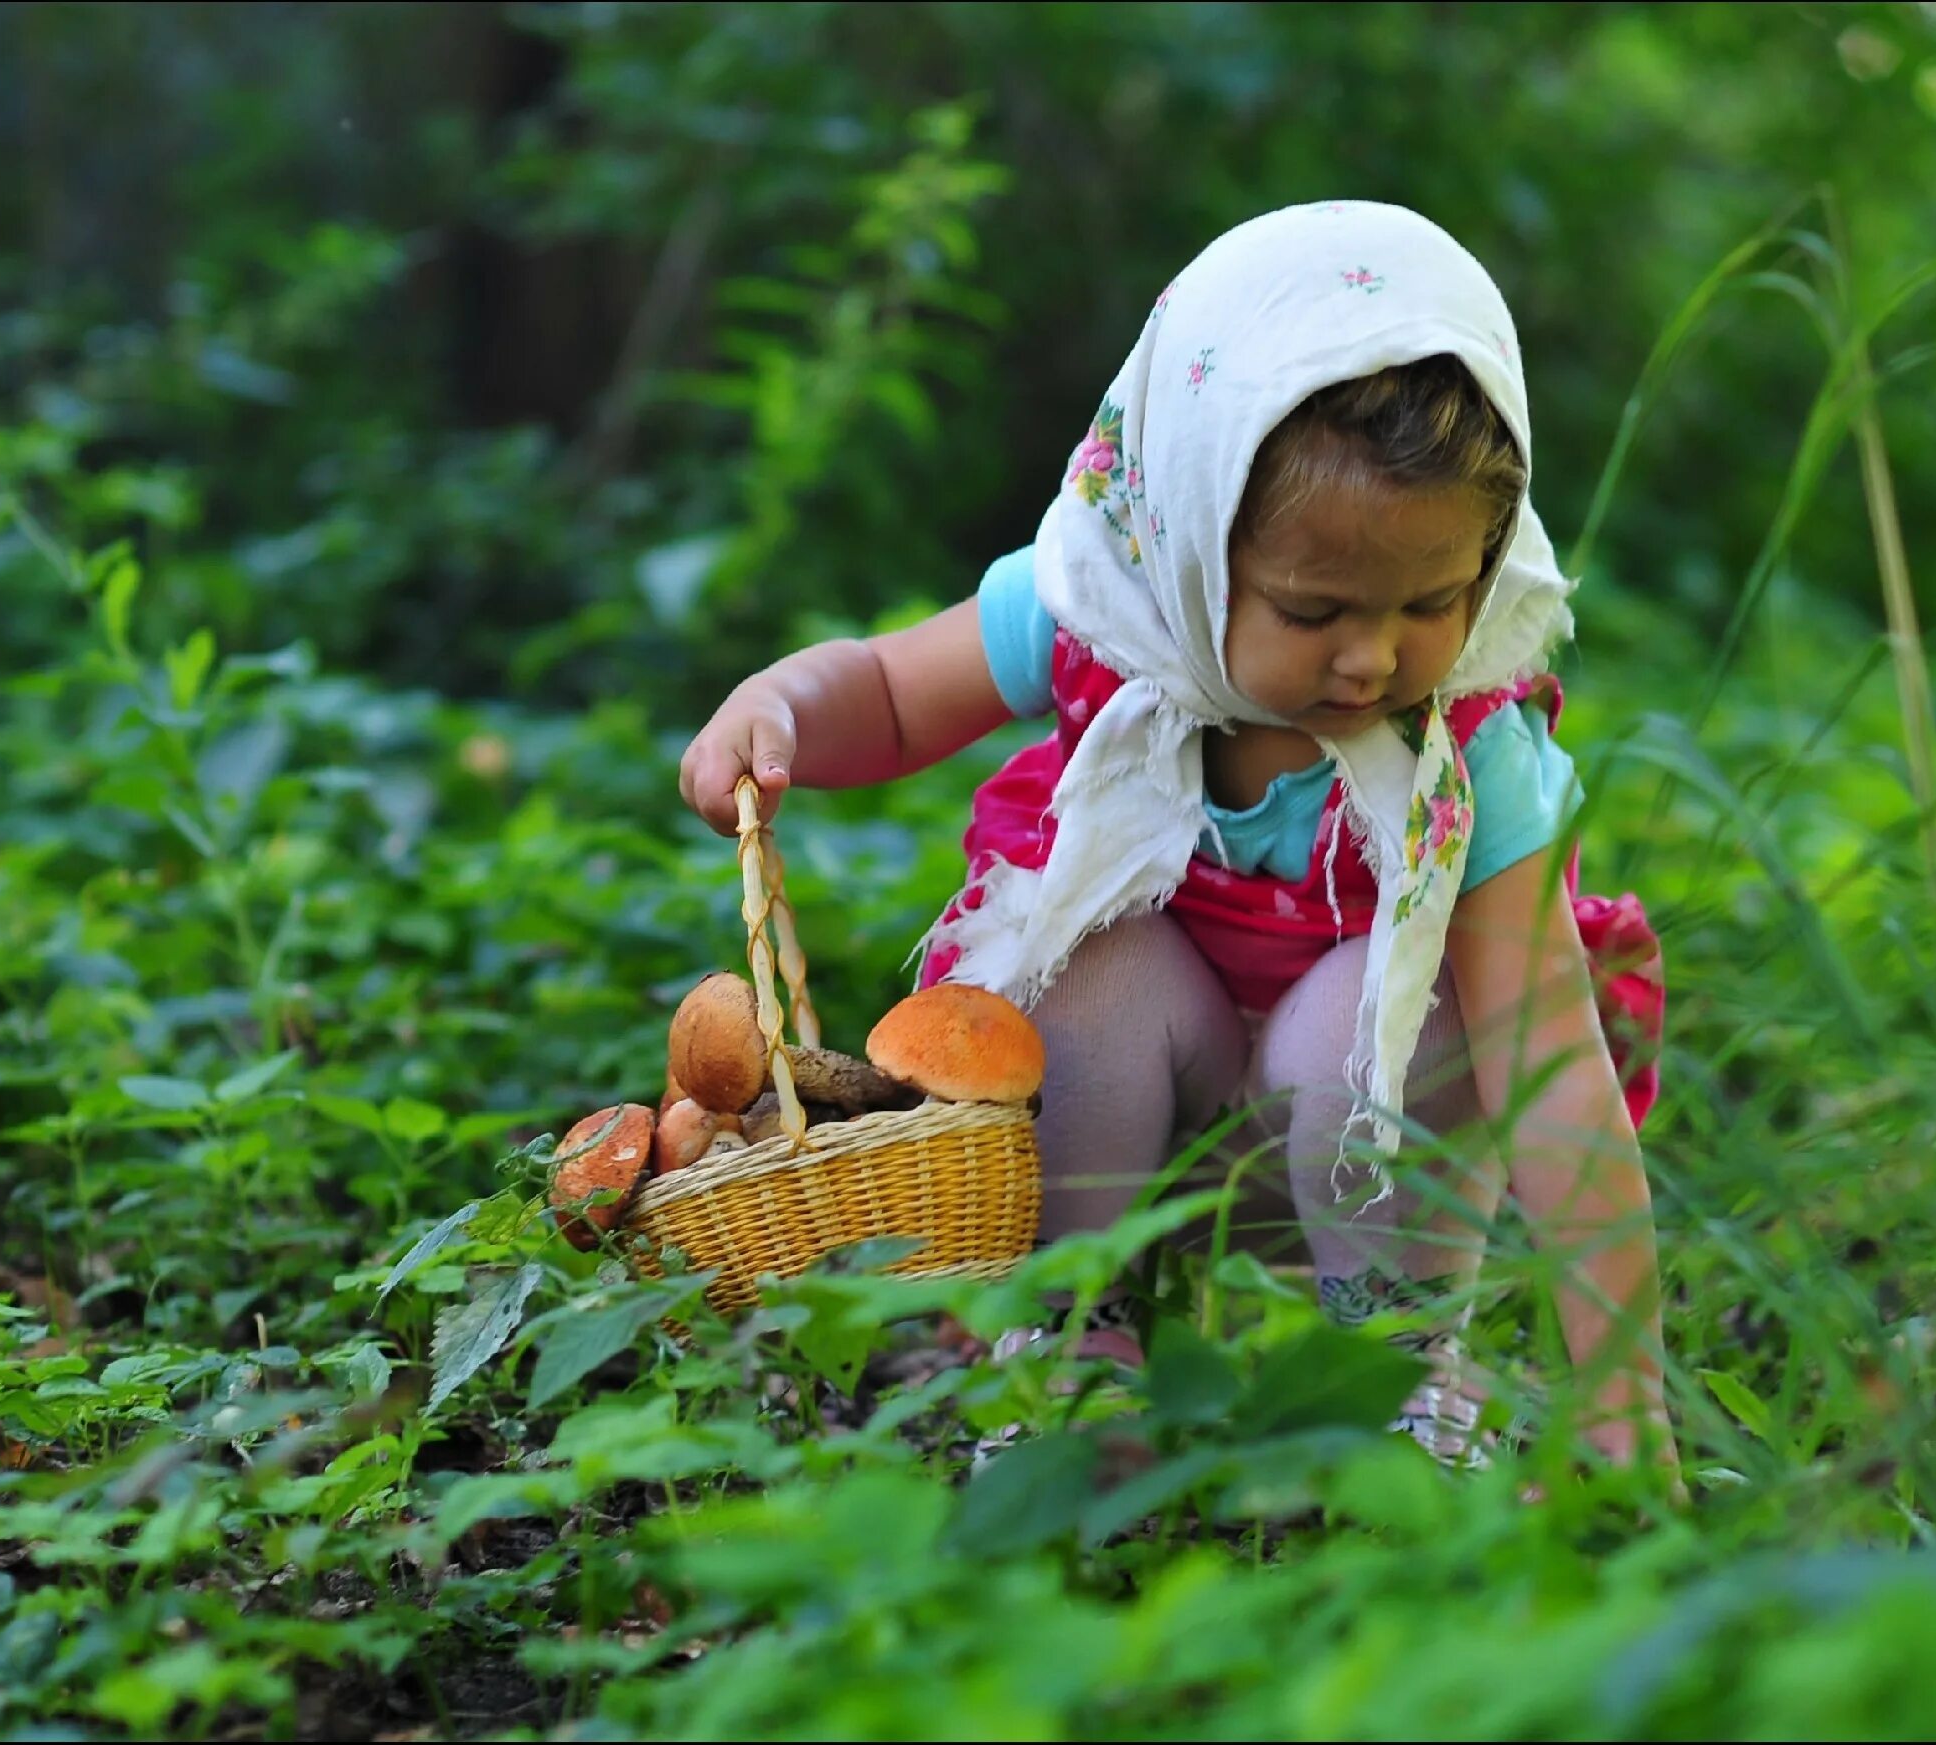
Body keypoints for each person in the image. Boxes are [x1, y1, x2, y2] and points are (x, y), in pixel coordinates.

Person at [677, 201, 1676, 1485]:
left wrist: (1619, 1390)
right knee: (1080, 960)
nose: (1373, 656)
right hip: (1145, 1113)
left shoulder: (1467, 746)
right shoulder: (1108, 601)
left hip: (1362, 1128)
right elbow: (882, 687)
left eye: (1433, 600)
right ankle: (1068, 1336)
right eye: (1312, 608)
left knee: (1380, 1000)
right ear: (1194, 535)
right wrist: (776, 709)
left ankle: (1395, 1365)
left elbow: (1551, 1071)